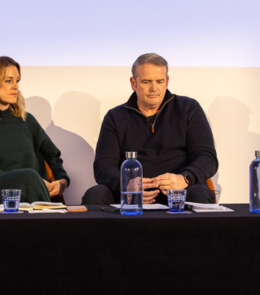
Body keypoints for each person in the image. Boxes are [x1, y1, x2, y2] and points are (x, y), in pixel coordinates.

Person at [81, 53, 217, 205]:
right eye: (146, 82)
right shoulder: (115, 117)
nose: (154, 88)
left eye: (159, 81)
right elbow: (103, 165)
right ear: (134, 83)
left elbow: (207, 157)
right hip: (130, 194)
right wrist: (126, 185)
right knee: (95, 195)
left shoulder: (188, 109)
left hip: (178, 191)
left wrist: (184, 178)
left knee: (199, 194)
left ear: (167, 81)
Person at [0, 56, 70, 206]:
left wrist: (62, 181)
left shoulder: (26, 120)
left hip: (28, 192)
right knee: (29, 177)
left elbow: (53, 155)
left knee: (29, 178)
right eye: (8, 80)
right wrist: (27, 181)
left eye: (17, 81)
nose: (15, 86)